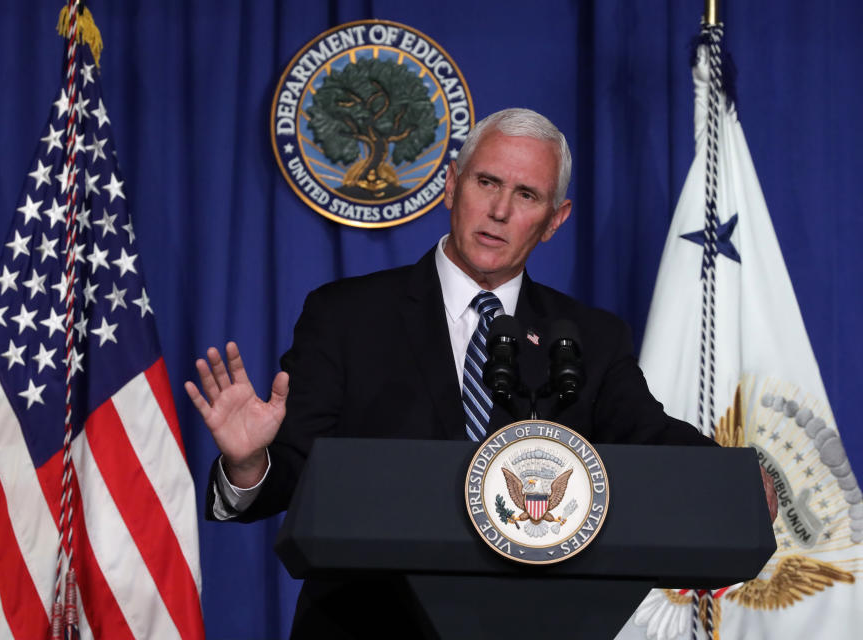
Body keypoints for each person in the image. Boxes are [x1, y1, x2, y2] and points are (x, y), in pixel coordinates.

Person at [185, 108, 768, 637]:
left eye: (527, 195)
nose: (499, 211)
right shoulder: (347, 315)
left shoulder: (586, 336)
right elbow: (292, 475)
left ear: (555, 219)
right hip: (368, 625)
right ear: (451, 186)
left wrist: (732, 478)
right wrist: (247, 462)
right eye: (487, 182)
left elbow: (649, 434)